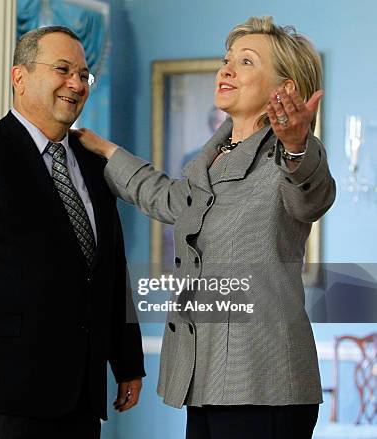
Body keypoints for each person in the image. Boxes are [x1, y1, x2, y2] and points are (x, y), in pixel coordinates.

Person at [76, 16, 335, 439]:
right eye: (227, 59)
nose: (226, 69)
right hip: (207, 380)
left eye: (246, 62)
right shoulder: (208, 162)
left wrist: (297, 145)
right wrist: (106, 150)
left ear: (283, 90)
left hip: (265, 385)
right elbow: (166, 198)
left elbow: (313, 195)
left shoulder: (289, 156)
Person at [0, 26, 145, 439]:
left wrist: (127, 360)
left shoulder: (94, 165)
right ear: (20, 77)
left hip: (79, 399)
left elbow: (110, 269)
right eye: (63, 69)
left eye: (84, 74)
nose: (76, 83)